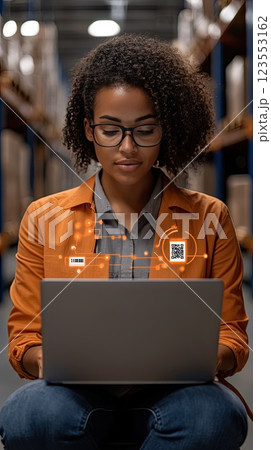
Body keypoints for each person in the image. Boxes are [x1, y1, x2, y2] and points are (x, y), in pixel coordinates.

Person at [0, 34, 249, 449]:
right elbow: (23, 338)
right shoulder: (44, 218)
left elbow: (233, 338)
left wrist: (201, 358)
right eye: (111, 131)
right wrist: (49, 359)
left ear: (165, 128)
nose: (128, 147)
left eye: (144, 130)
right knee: (29, 415)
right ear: (88, 129)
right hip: (75, 395)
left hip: (176, 394)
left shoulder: (210, 217)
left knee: (214, 416)